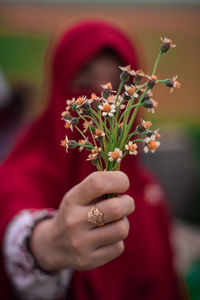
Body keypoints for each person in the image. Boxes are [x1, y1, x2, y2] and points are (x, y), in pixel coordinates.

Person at [0, 20, 181, 299]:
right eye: (84, 86)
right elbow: (16, 221)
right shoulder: (19, 173)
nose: (100, 104)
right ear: (60, 92)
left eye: (119, 92)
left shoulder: (148, 191)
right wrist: (48, 244)